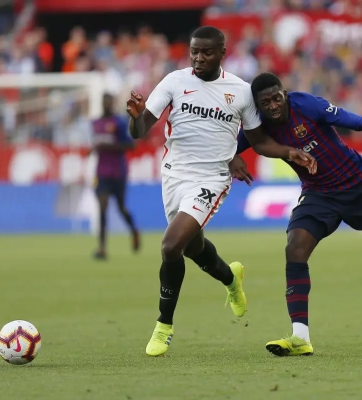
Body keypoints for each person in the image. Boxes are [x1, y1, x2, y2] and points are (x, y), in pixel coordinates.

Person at [125, 27, 315, 357]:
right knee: (191, 247)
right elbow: (139, 131)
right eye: (194, 52)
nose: (199, 58)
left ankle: (163, 325)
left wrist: (288, 152)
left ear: (222, 53)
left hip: (212, 179)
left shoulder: (240, 92)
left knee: (171, 246)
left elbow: (259, 141)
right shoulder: (174, 82)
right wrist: (135, 117)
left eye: (207, 52)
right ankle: (230, 278)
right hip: (173, 175)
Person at [233, 72, 362, 357]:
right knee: (295, 248)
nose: (273, 106)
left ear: (284, 94)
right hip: (319, 195)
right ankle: (300, 337)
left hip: (359, 187)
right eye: (265, 103)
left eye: (276, 98)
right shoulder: (257, 125)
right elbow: (229, 146)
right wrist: (232, 158)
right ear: (257, 106)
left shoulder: (308, 106)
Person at [92, 93, 140, 259]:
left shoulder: (119, 122)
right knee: (102, 207)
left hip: (118, 172)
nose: (106, 105)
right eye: (104, 102)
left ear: (112, 103)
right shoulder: (96, 123)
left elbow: (130, 145)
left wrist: (108, 146)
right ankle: (102, 248)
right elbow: (96, 144)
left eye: (109, 102)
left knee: (121, 208)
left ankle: (134, 230)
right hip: (101, 173)